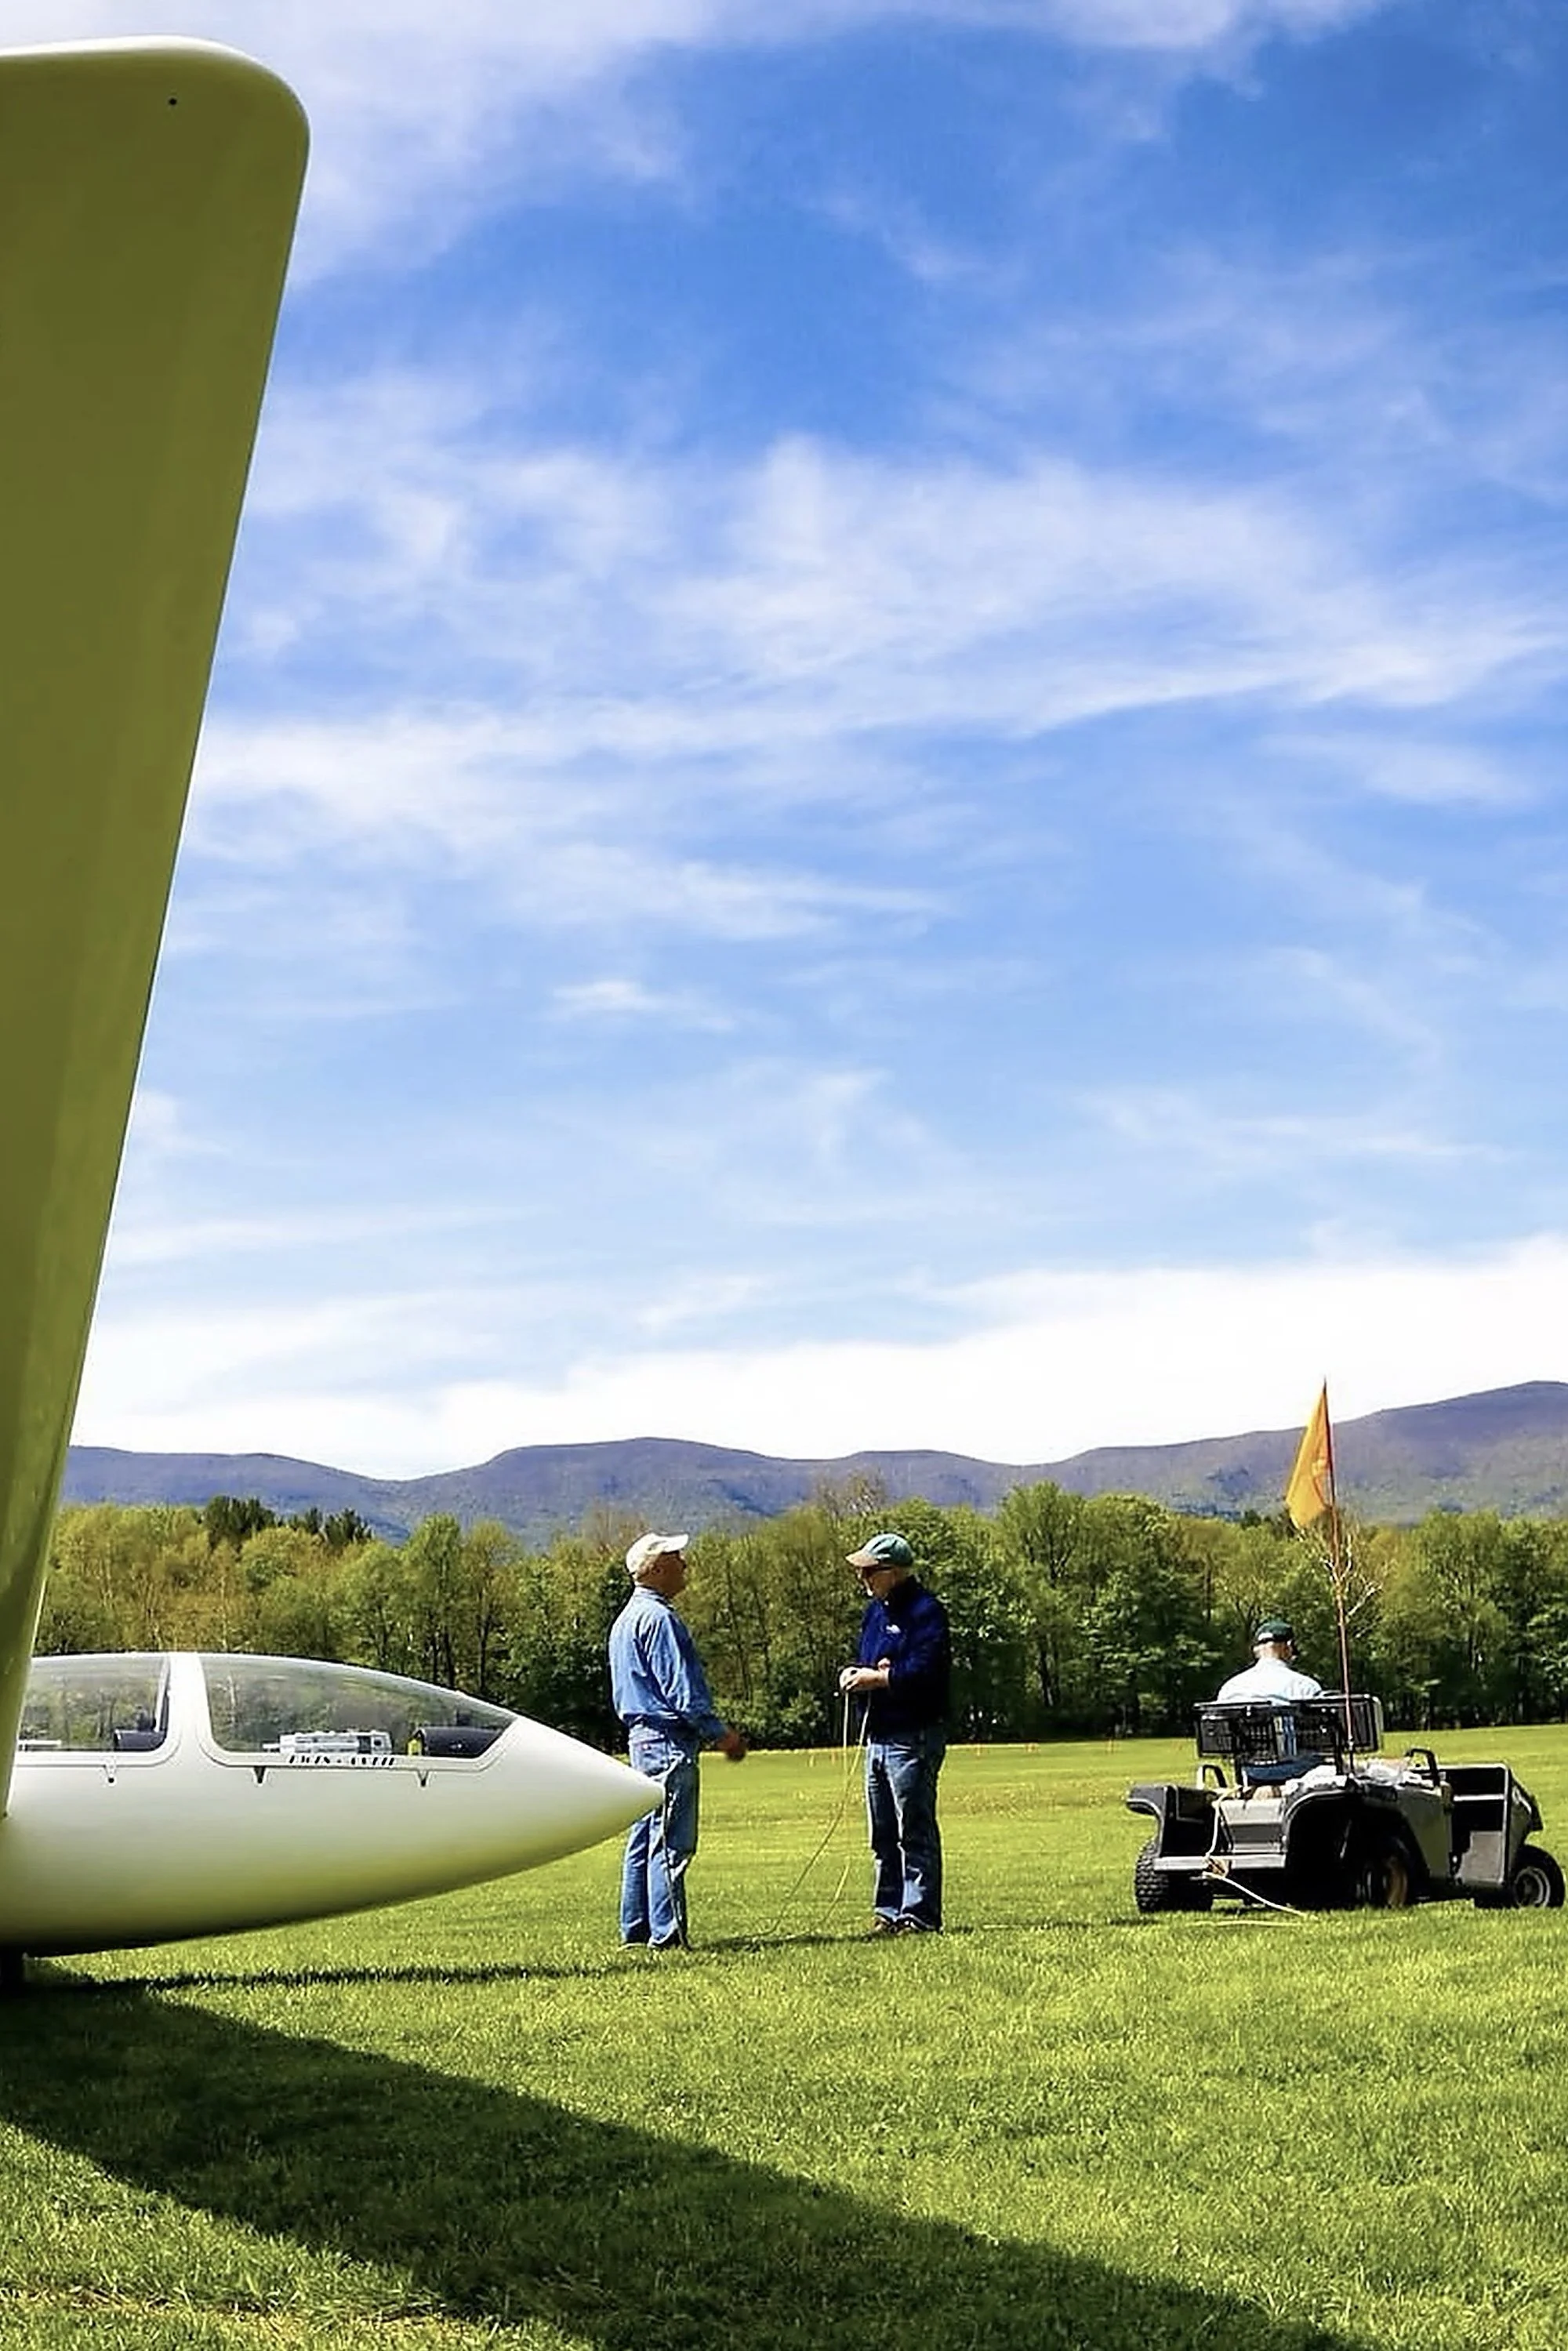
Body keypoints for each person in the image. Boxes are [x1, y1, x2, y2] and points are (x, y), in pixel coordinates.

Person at [608, 1531, 745, 1950]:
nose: (685, 1564)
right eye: (677, 1558)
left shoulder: (625, 1620)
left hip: (640, 1738)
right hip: (668, 1741)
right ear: (657, 1567)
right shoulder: (661, 1619)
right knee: (670, 1840)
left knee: (644, 1836)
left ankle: (637, 1931)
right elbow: (682, 1690)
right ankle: (667, 1935)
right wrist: (721, 1735)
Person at [837, 1530, 951, 1936]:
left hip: (913, 1736)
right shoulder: (874, 1613)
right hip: (878, 1738)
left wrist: (881, 1678)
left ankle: (919, 1915)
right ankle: (888, 1911)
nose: (863, 1580)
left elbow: (926, 1671)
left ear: (894, 1571)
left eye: (870, 1572)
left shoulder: (926, 1612)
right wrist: (857, 1673)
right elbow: (870, 1660)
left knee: (914, 1828)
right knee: (882, 1832)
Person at [1214, 1616, 1323, 1787]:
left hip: (1251, 1770)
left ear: (1256, 1650)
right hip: (1298, 1770)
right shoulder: (1306, 1687)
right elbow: (1320, 1740)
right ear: (1288, 1647)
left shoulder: (1229, 1689)